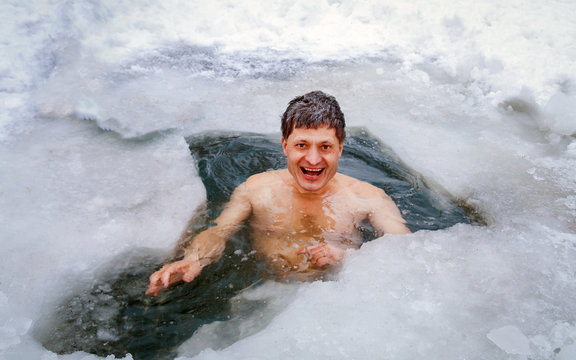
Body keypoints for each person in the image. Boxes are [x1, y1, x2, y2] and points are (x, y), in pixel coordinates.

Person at [146, 91, 410, 297]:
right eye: (302, 145)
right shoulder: (256, 189)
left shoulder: (369, 198)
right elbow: (218, 231)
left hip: (338, 299)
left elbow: (407, 256)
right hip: (263, 297)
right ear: (285, 146)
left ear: (340, 149)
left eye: (326, 146)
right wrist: (194, 260)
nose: (314, 159)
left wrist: (347, 258)